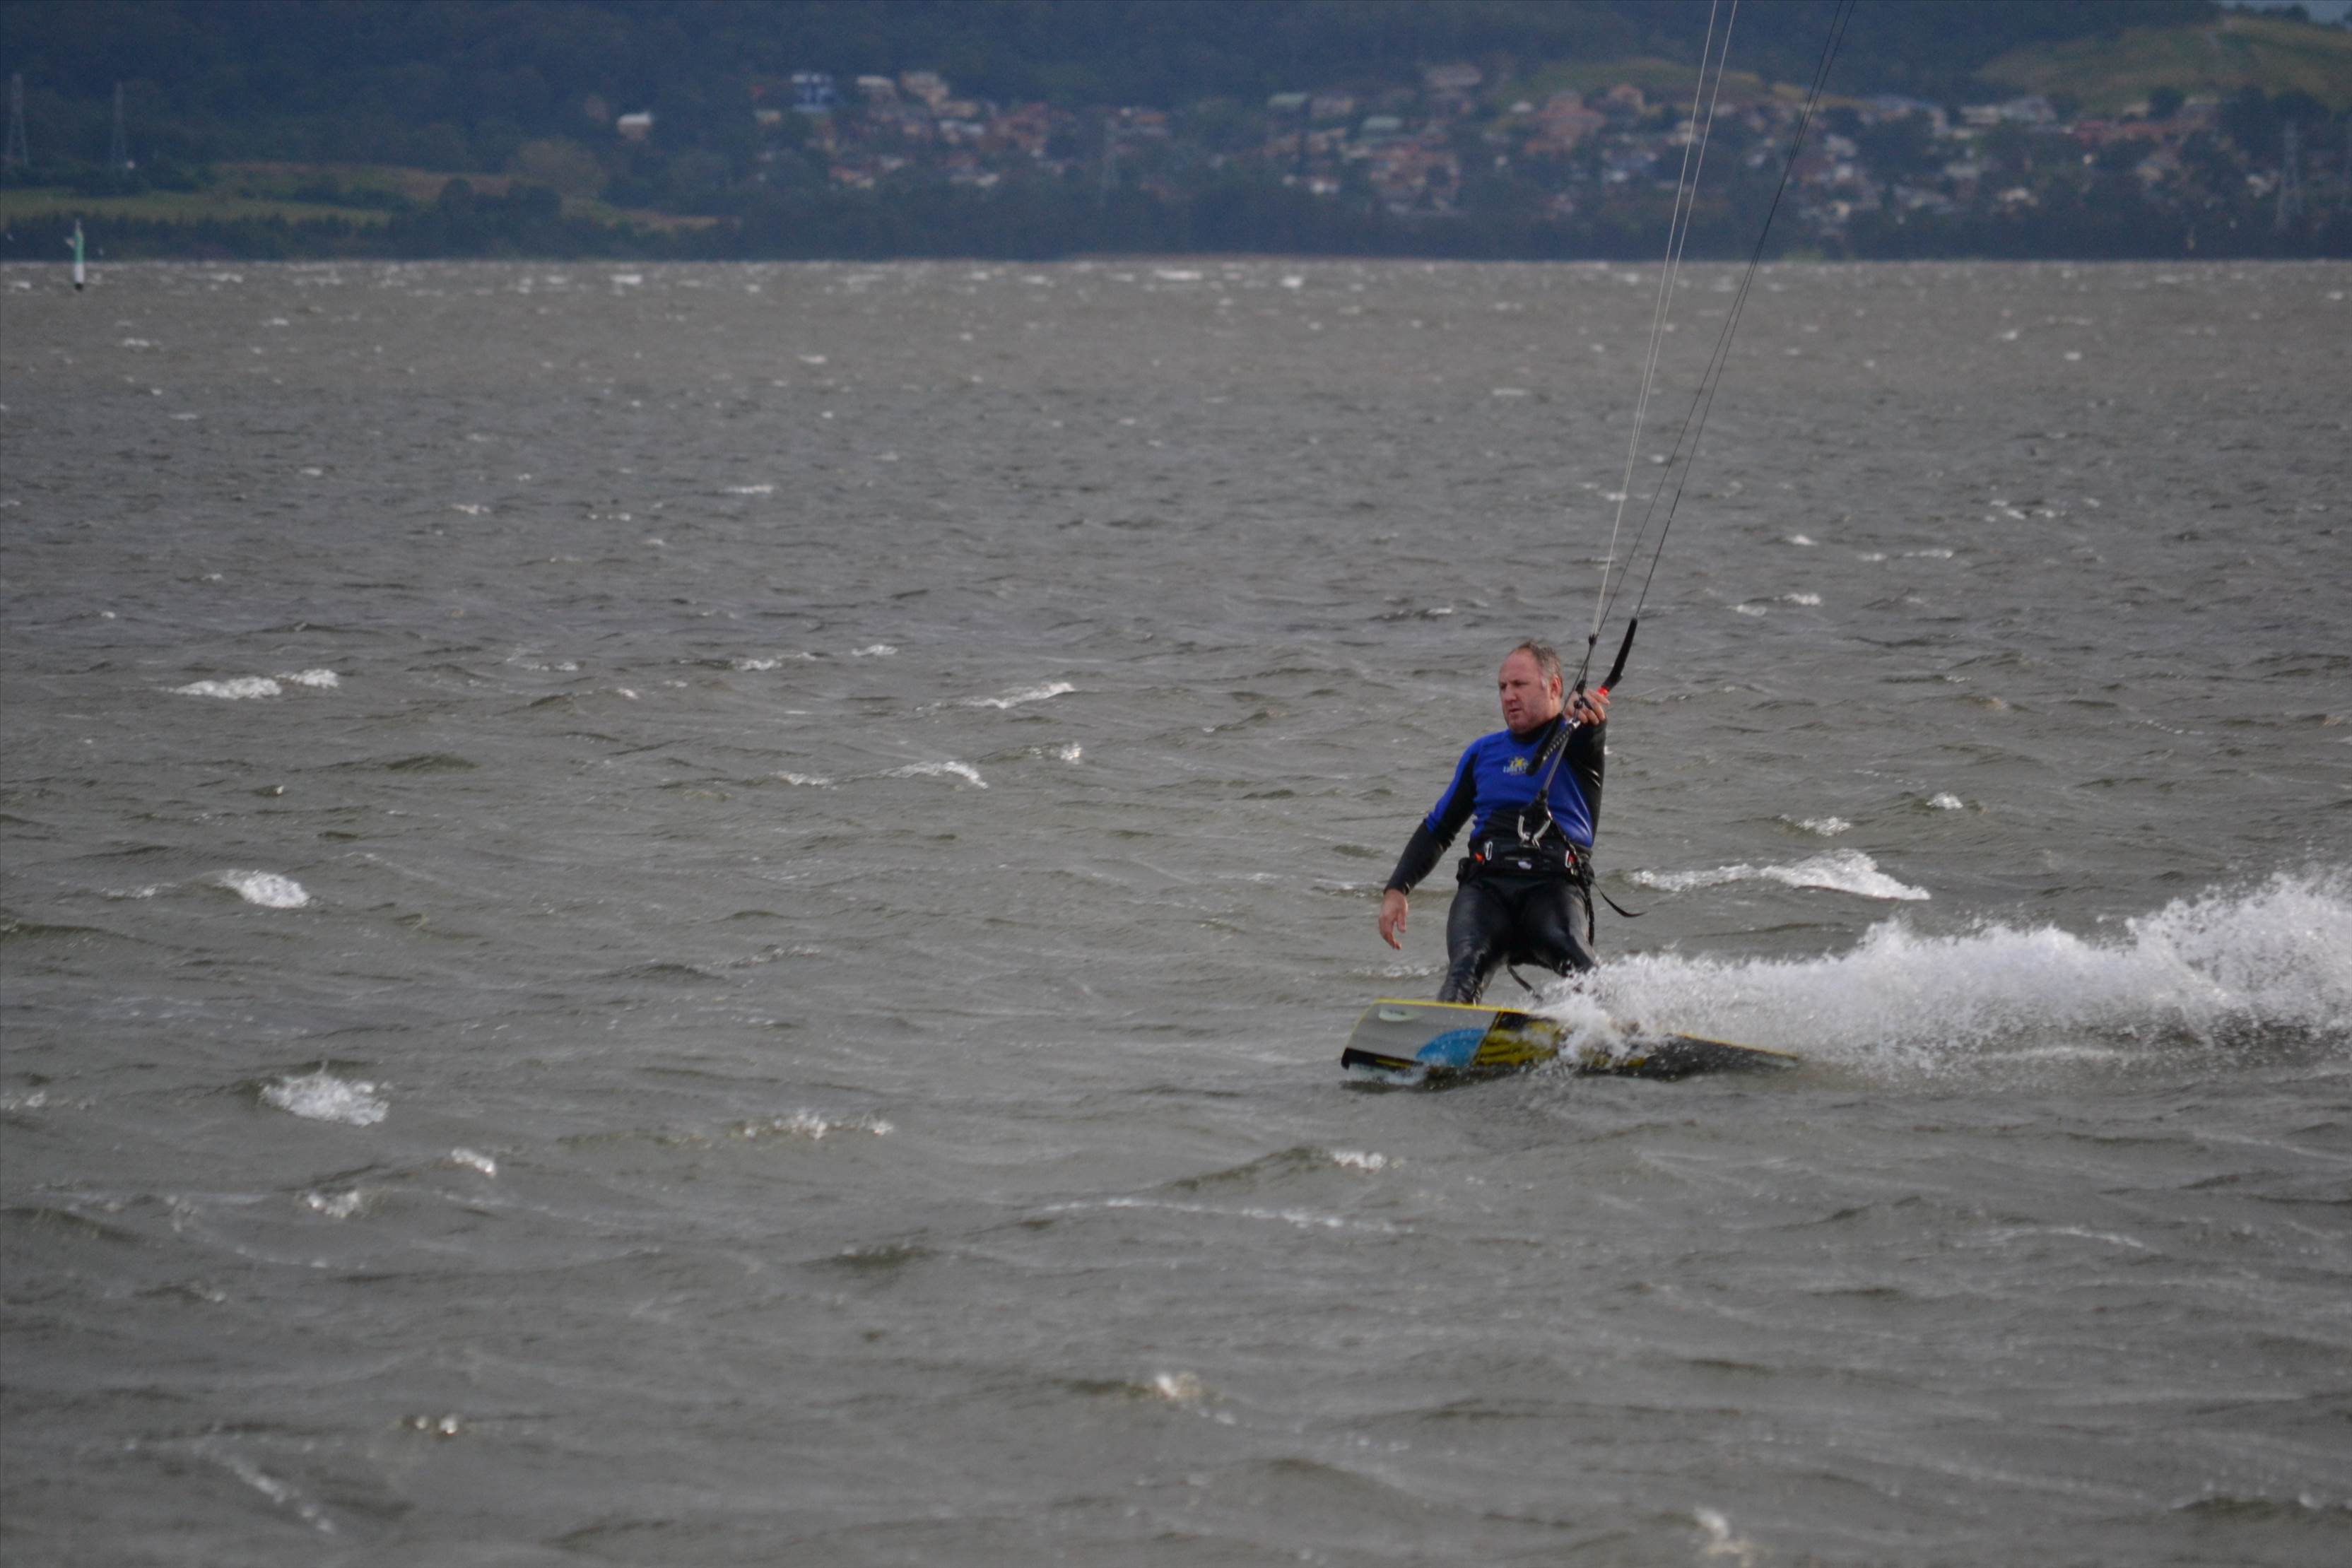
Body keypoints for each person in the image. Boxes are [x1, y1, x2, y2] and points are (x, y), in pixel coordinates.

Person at [1377, 641, 1609, 1003]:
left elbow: (1589, 728)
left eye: (1520, 685)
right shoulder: (1482, 754)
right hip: (1488, 891)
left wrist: (1581, 709)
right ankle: (1450, 1030)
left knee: (1578, 959)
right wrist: (1397, 889)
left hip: (1552, 890)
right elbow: (1437, 829)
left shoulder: (1575, 740)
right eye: (1502, 687)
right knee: (1464, 968)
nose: (1508, 696)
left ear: (1554, 687)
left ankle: (1618, 1029)